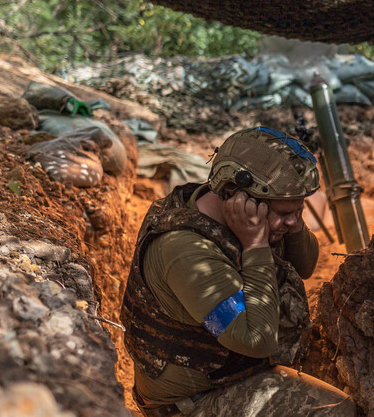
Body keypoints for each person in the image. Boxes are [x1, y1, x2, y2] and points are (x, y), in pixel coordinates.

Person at [121, 127, 356, 416]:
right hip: (190, 402)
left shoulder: (228, 205)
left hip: (224, 372)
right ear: (239, 197)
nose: (295, 222)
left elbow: (305, 265)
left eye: (299, 210)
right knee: (337, 410)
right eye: (284, 214)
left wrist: (287, 219)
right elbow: (257, 340)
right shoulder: (185, 250)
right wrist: (255, 244)